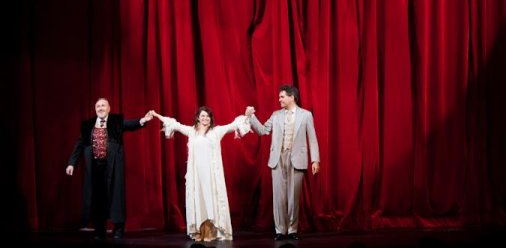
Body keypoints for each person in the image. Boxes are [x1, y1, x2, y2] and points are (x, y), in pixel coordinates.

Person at [151, 106, 251, 242]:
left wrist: (246, 115)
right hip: (196, 175)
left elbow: (233, 125)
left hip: (211, 175)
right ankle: (200, 231)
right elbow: (175, 125)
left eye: (207, 116)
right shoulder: (192, 132)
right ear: (198, 118)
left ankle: (213, 232)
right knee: (199, 200)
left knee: (211, 200)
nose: (205, 118)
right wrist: (157, 115)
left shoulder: (216, 131)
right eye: (202, 116)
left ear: (210, 119)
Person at [66, 98, 153, 239]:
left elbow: (129, 124)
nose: (100, 108)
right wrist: (71, 163)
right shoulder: (88, 125)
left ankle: (118, 229)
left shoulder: (115, 121)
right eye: (98, 106)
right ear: (95, 109)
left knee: (116, 196)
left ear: (109, 108)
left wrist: (143, 120)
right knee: (98, 198)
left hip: (113, 165)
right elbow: (80, 144)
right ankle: (99, 230)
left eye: (103, 105)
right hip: (95, 167)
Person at [245, 84, 320, 241]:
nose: (279, 99)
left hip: (296, 159)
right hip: (278, 159)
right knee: (279, 197)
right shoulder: (276, 115)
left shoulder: (306, 115)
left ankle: (292, 230)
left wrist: (315, 160)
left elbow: (312, 138)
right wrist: (251, 117)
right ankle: (280, 230)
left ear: (292, 97)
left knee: (294, 197)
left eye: (282, 96)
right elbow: (263, 130)